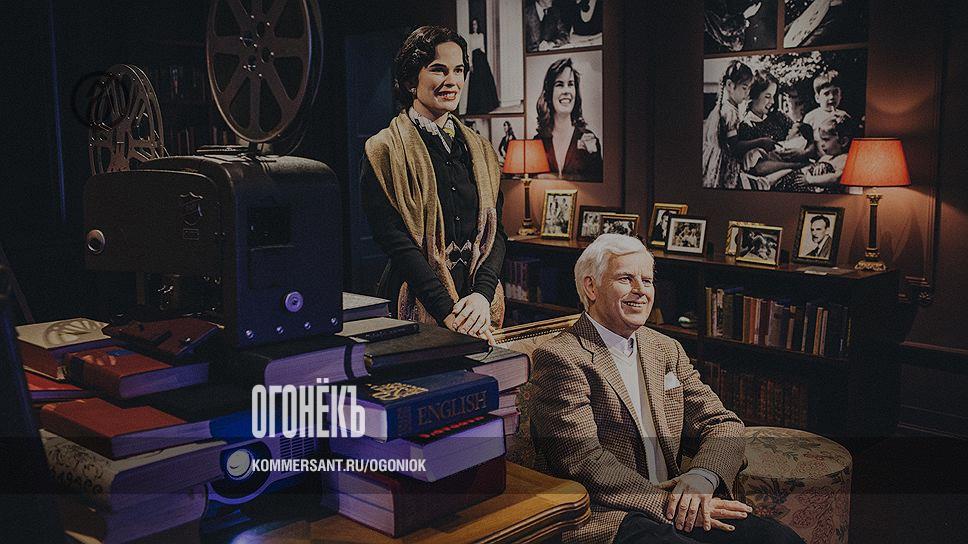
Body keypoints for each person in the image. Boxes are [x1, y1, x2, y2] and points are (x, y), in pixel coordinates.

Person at [528, 234, 804, 543]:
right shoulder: (560, 357)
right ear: (591, 287)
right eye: (626, 278)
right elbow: (583, 461)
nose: (640, 290)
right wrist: (673, 504)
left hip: (679, 501)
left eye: (647, 280)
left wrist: (702, 478)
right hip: (609, 515)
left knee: (780, 539)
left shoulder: (664, 348)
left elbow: (723, 424)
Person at [360, 26, 507, 340]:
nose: (452, 81)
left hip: (476, 307)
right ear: (411, 80)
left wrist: (482, 296)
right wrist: (446, 310)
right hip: (415, 302)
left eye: (459, 70)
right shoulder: (384, 150)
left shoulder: (482, 150)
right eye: (439, 69)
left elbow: (496, 234)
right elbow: (394, 239)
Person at [701, 60, 772, 189]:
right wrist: (761, 142)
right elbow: (735, 147)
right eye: (744, 88)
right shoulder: (730, 113)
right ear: (730, 85)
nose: (747, 93)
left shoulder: (722, 108)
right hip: (726, 169)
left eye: (749, 88)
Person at [535, 57, 603, 181]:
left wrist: (592, 155)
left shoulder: (589, 139)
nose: (566, 91)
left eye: (571, 84)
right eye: (560, 85)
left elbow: (600, 183)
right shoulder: (537, 142)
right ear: (549, 93)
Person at [737, 71, 806, 177]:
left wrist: (803, 152)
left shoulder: (778, 116)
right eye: (767, 96)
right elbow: (758, 168)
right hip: (775, 178)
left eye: (773, 96)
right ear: (754, 95)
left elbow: (801, 133)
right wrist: (795, 165)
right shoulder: (746, 126)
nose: (772, 101)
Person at [772, 113, 853, 193]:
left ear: (843, 142)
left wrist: (810, 180)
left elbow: (836, 178)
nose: (822, 144)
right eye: (821, 139)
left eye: (826, 140)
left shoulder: (844, 158)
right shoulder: (826, 157)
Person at [465, 17, 499, 114]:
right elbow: (469, 50)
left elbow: (483, 48)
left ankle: (488, 105)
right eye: (473, 24)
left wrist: (484, 60)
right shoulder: (469, 36)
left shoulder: (481, 35)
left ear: (478, 25)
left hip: (482, 59)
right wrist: (470, 64)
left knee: (485, 80)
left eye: (475, 24)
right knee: (476, 82)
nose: (474, 26)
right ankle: (477, 107)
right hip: (475, 59)